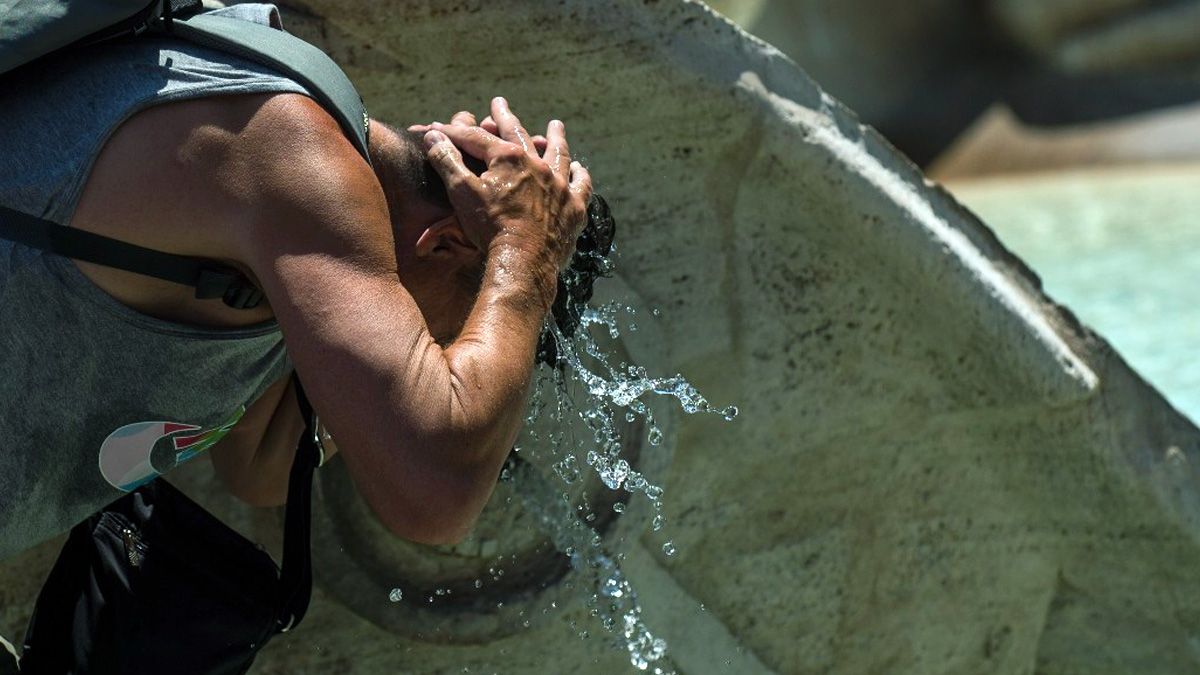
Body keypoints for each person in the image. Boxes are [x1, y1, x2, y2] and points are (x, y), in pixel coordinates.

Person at [0, 1, 589, 568]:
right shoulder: (298, 159)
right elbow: (434, 494)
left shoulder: (303, 251)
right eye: (443, 346)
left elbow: (266, 462)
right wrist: (526, 256)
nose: (425, 355)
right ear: (443, 242)